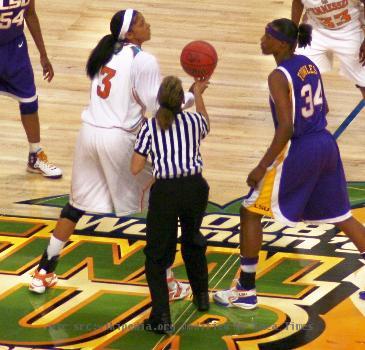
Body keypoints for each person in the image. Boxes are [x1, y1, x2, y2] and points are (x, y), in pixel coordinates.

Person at [29, 9, 194, 301]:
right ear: (130, 34)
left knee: (75, 206)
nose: (148, 24)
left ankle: (43, 270)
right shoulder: (143, 60)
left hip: (88, 134)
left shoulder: (105, 52)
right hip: (118, 139)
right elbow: (157, 109)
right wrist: (191, 97)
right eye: (142, 23)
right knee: (162, 201)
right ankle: (167, 282)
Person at [213, 18, 365, 309]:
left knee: (249, 212)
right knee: (342, 215)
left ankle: (245, 289)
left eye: (267, 36)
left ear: (281, 43)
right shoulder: (308, 64)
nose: (262, 39)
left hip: (302, 149)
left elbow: (286, 127)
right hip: (325, 143)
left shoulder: (278, 76)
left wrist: (262, 166)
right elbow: (325, 107)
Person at [131, 76, 210, 333]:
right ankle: (202, 297)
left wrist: (159, 167)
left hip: (166, 193)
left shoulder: (151, 127)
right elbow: (205, 122)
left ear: (159, 100)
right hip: (195, 188)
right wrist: (197, 93)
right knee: (192, 240)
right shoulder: (194, 121)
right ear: (181, 102)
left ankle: (161, 317)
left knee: (156, 256)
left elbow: (135, 168)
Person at [0, 0, 62, 178]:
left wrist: (43, 55)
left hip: (15, 50)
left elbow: (30, 14)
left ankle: (35, 155)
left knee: (29, 101)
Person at [291, 0, 365, 100]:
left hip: (351, 28)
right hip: (316, 28)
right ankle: (320, 109)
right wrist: (293, 32)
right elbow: (297, 2)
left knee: (363, 80)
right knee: (299, 71)